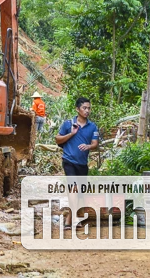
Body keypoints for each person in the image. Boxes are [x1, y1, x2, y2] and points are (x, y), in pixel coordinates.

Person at [54, 97, 99, 228]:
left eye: (89, 108)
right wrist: (72, 134)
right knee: (73, 188)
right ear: (77, 109)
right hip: (69, 160)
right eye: (84, 108)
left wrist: (88, 146)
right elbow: (58, 139)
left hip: (82, 164)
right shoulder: (69, 124)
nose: (87, 111)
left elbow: (95, 143)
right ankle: (73, 219)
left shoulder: (93, 126)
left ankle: (69, 219)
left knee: (79, 193)